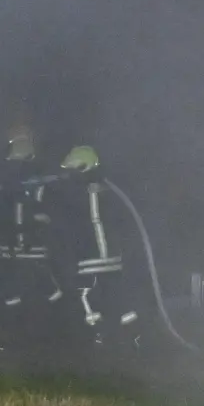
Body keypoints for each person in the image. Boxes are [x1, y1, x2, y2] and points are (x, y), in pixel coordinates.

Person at [53, 145, 140, 344]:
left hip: (93, 256)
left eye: (71, 170)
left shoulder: (90, 190)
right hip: (109, 257)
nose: (67, 175)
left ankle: (100, 335)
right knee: (117, 296)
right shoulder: (99, 188)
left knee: (86, 294)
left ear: (83, 167)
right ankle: (134, 336)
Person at [0, 125, 65, 314]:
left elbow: (50, 211)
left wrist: (38, 217)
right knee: (19, 299)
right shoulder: (5, 185)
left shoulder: (39, 182)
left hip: (30, 249)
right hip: (15, 250)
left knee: (43, 297)